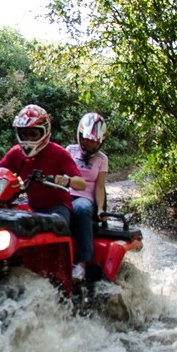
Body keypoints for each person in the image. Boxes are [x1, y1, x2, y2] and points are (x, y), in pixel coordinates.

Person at [0, 103, 85, 226]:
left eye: (33, 134)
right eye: (24, 134)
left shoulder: (58, 153)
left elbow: (81, 184)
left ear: (45, 132)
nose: (28, 139)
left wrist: (67, 181)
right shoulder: (16, 153)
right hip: (31, 205)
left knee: (54, 228)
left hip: (57, 207)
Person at [65, 112, 109, 281]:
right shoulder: (70, 150)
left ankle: (81, 263)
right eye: (86, 139)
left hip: (85, 198)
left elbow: (100, 187)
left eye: (93, 141)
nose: (89, 143)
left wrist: (100, 209)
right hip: (66, 193)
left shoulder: (102, 159)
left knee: (82, 210)